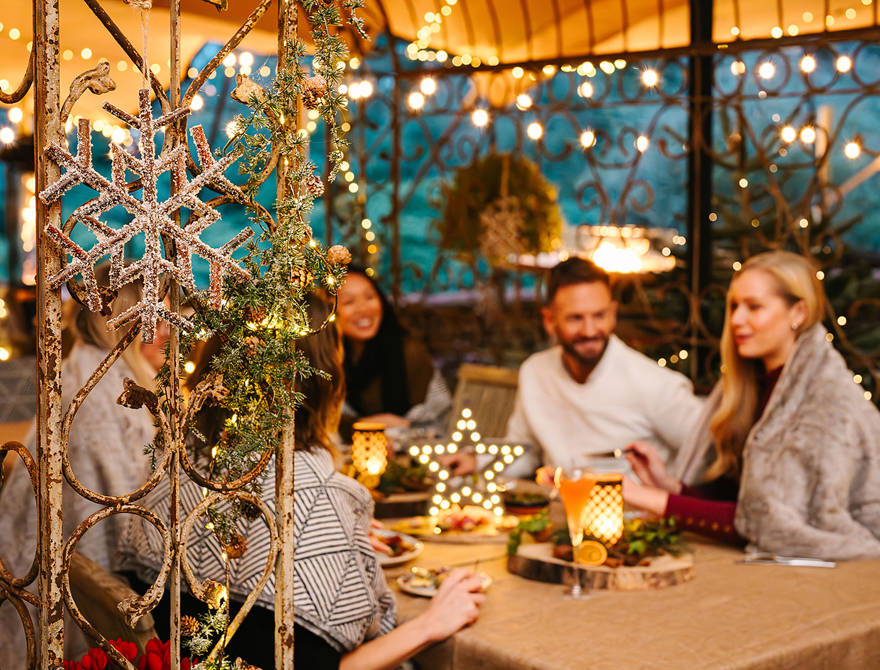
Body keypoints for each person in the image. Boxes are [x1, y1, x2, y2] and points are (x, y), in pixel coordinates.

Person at [118, 291, 485, 668]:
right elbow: (315, 663)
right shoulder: (314, 490)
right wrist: (430, 624)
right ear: (323, 375)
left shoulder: (176, 458)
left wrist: (337, 533)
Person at [623, 251, 880, 559]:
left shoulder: (826, 401)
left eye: (754, 307)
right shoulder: (748, 383)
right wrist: (671, 487)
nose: (736, 320)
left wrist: (651, 498)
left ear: (798, 312)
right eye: (734, 306)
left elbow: (774, 525)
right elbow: (745, 502)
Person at [0, 264, 165, 666]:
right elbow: (122, 521)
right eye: (155, 317)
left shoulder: (92, 370)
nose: (166, 329)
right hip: (68, 595)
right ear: (123, 320)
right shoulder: (106, 394)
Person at [448, 257, 703, 478]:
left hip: (636, 524)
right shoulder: (535, 372)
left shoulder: (655, 383)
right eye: (576, 318)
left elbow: (708, 458)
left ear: (613, 313)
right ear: (549, 320)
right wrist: (476, 461)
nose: (590, 330)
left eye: (599, 315)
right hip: (558, 514)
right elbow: (524, 452)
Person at [337, 266, 451, 437]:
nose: (363, 309)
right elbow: (319, 423)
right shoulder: (327, 359)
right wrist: (365, 424)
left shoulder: (410, 352)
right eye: (349, 302)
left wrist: (402, 428)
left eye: (369, 297)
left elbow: (442, 419)